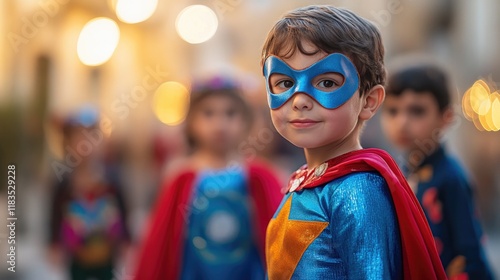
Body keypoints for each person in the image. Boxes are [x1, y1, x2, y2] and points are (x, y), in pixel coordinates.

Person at [260, 5, 447, 279]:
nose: (299, 100)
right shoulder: (308, 180)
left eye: (326, 83)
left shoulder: (356, 189)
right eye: (285, 83)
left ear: (368, 101)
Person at [133, 78, 283, 280]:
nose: (219, 124)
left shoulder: (260, 176)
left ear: (246, 121)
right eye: (208, 113)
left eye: (230, 113)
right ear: (191, 121)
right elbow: (161, 246)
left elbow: (279, 240)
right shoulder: (181, 178)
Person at [381, 64, 493, 279]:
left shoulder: (451, 178)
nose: (402, 122)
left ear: (446, 117)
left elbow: (469, 254)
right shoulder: (403, 171)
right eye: (393, 111)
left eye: (417, 111)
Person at [48, 106, 130, 280]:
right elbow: (54, 214)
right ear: (67, 142)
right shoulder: (64, 184)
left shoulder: (112, 179)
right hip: (76, 256)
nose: (85, 144)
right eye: (78, 137)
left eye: (92, 137)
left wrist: (127, 241)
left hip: (107, 254)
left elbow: (123, 210)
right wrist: (53, 243)